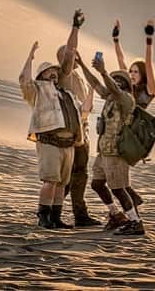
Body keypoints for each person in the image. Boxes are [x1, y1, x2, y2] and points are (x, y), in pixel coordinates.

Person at [77, 52, 145, 236]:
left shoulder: (126, 99)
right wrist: (83, 65)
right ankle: (116, 215)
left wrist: (104, 72)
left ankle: (136, 222)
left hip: (116, 152)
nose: (116, 82)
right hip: (104, 151)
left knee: (118, 188)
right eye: (115, 79)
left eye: (120, 80)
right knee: (97, 184)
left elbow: (113, 88)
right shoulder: (109, 98)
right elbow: (96, 84)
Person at [19, 41, 84, 230]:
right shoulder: (37, 90)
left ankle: (56, 217)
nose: (54, 72)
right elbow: (24, 80)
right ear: (41, 75)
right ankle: (44, 216)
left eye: (55, 70)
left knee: (62, 183)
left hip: (68, 143)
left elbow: (81, 111)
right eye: (49, 70)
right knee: (50, 181)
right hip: (49, 141)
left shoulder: (65, 93)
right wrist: (30, 57)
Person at [113, 19, 155, 209]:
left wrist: (149, 40)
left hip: (134, 135)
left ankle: (132, 213)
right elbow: (121, 62)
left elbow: (148, 64)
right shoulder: (129, 88)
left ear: (143, 74)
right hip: (122, 130)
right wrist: (115, 39)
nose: (131, 74)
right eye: (131, 72)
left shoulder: (149, 90)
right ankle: (130, 204)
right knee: (117, 175)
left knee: (118, 177)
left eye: (135, 72)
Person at [56, 43, 101, 227]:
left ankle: (79, 214)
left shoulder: (78, 77)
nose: (76, 57)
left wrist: (91, 88)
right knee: (67, 175)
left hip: (83, 130)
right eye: (72, 55)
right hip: (70, 132)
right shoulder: (62, 75)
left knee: (80, 173)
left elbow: (86, 109)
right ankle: (53, 210)